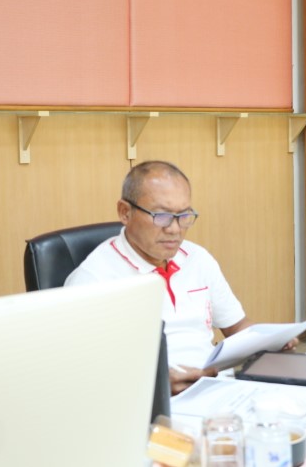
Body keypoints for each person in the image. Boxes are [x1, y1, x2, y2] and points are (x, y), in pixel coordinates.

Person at [65, 160, 293, 394]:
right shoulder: (92, 280)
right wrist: (156, 386)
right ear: (125, 212)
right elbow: (78, 375)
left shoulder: (197, 258)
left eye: (184, 215)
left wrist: (270, 341)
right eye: (161, 215)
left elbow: (237, 326)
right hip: (146, 403)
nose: (174, 229)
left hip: (216, 386)